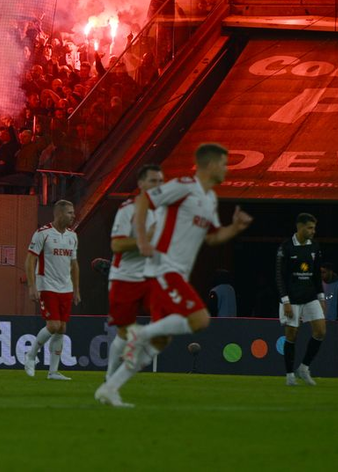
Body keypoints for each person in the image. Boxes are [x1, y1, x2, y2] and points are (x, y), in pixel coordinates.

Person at [96, 143, 252, 408]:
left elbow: (213, 235)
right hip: (158, 270)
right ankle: (135, 341)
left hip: (169, 271)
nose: (226, 169)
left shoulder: (208, 199)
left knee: (161, 340)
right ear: (209, 165)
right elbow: (144, 203)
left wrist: (234, 228)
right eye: (223, 163)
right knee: (198, 320)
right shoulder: (180, 187)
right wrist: (144, 240)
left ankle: (111, 386)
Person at [104, 164, 163, 380]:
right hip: (125, 277)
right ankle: (111, 375)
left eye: (160, 182)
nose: (158, 186)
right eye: (153, 181)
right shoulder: (128, 209)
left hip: (150, 277)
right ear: (140, 184)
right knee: (124, 332)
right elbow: (117, 246)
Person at [23, 199, 80, 381]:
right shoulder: (42, 234)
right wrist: (32, 286)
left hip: (66, 287)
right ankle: (31, 356)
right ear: (59, 214)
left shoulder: (72, 236)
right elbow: (30, 261)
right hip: (47, 285)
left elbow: (74, 264)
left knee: (62, 328)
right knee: (53, 325)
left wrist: (76, 289)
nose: (73, 216)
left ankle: (53, 372)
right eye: (70, 212)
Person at [277, 211, 327, 386]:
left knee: (321, 331)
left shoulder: (314, 246)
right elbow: (279, 276)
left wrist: (321, 298)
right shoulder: (286, 247)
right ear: (300, 227)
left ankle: (304, 368)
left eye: (314, 228)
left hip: (310, 296)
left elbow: (315, 274)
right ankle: (290, 375)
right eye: (310, 228)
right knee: (292, 335)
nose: (313, 231)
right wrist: (286, 301)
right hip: (292, 298)